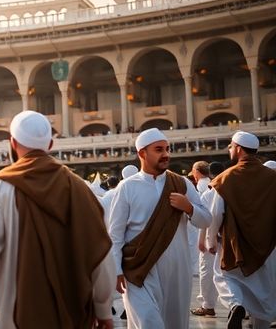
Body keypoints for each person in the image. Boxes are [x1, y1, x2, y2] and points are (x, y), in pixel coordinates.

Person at [0, 110, 115, 329]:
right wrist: (103, 310)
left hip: (13, 318)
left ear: (12, 143)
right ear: (50, 144)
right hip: (74, 316)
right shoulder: (80, 188)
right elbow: (100, 253)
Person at [108, 128, 211, 328]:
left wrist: (189, 208)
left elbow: (206, 220)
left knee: (175, 323)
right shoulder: (127, 187)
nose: (165, 154)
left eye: (167, 149)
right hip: (139, 268)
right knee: (148, 322)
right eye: (158, 149)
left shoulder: (181, 184)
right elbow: (115, 233)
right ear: (142, 153)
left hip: (176, 270)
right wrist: (116, 269)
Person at [206, 131, 276, 328]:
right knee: (263, 290)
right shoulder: (273, 177)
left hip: (234, 245)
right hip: (268, 245)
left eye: (231, 146)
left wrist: (211, 241)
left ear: (238, 148)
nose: (230, 149)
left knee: (225, 277)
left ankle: (236, 304)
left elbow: (216, 214)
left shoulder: (226, 177)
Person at [191, 161, 225, 318]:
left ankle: (208, 305)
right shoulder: (231, 188)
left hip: (211, 235)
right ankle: (238, 305)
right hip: (229, 237)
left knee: (207, 270)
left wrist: (203, 240)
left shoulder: (206, 189)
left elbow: (208, 216)